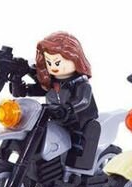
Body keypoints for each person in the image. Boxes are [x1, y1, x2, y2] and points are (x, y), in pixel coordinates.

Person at [24, 31, 100, 170]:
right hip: (56, 119)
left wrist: (69, 108)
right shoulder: (52, 82)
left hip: (79, 121)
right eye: (49, 62)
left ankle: (75, 171)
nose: (53, 66)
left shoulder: (80, 83)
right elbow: (36, 90)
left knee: (77, 145)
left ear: (75, 59)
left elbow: (83, 100)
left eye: (57, 62)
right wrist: (21, 87)